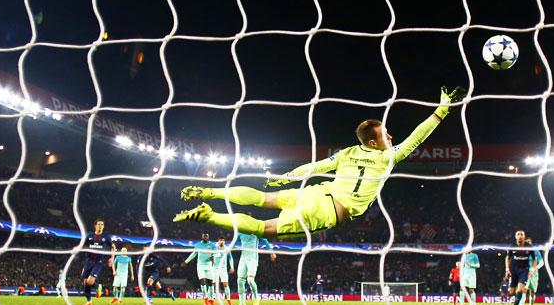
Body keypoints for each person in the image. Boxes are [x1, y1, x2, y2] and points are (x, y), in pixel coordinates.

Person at [173, 87, 466, 238]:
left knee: (263, 198)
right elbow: (416, 137)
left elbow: (315, 167)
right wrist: (442, 110)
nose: (391, 135)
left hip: (317, 190)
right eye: (385, 134)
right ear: (374, 143)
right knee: (264, 229)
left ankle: (215, 192)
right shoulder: (388, 157)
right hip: (327, 208)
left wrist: (286, 176)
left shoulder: (348, 153)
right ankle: (209, 215)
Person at [233, 233, 276, 305]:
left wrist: (271, 252)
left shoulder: (256, 232)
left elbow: (265, 240)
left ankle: (256, 299)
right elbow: (233, 242)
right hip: (243, 259)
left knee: (250, 280)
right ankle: (242, 304)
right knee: (240, 281)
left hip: (252, 259)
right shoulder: (240, 233)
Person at [80, 219, 116, 305]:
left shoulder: (106, 237)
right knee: (85, 282)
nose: (100, 226)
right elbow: (82, 245)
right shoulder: (90, 236)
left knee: (89, 281)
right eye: (99, 224)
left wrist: (112, 258)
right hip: (88, 261)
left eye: (102, 224)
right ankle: (89, 302)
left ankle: (97, 286)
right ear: (95, 226)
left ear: (103, 226)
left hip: (99, 262)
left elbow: (113, 247)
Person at [505, 229, 536, 305]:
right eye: (518, 234)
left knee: (520, 289)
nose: (520, 236)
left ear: (524, 236)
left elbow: (534, 259)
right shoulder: (512, 246)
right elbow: (507, 258)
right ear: (516, 237)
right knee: (511, 291)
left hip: (524, 270)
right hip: (513, 270)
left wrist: (532, 269)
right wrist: (507, 269)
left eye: (522, 234)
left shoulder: (529, 246)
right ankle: (515, 298)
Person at [182, 232, 217, 305]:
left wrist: (213, 256)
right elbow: (194, 254)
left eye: (206, 236)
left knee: (211, 283)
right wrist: (186, 261)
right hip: (200, 266)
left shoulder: (213, 245)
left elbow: (217, 253)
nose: (205, 237)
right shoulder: (198, 245)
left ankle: (211, 299)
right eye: (204, 236)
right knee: (203, 281)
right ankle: (205, 299)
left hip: (209, 266)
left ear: (208, 237)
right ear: (202, 237)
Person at [519, 239, 543, 305]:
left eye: (529, 242)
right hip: (525, 273)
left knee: (532, 292)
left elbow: (542, 262)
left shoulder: (536, 251)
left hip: (534, 274)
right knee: (524, 289)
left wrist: (535, 268)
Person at [212, 236, 235, 305]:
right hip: (214, 268)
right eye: (220, 240)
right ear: (218, 241)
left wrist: (232, 267)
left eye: (223, 240)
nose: (222, 241)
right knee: (212, 284)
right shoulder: (214, 247)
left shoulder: (227, 248)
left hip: (223, 269)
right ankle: (212, 299)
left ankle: (228, 299)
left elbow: (230, 258)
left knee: (225, 284)